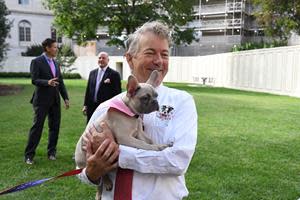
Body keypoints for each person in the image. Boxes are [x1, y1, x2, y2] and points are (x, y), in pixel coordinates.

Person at [77, 21, 198, 200]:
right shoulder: (107, 108)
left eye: (164, 54)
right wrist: (92, 173)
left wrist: (118, 154)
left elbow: (177, 161)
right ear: (129, 58)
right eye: (150, 53)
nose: (158, 61)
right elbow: (83, 168)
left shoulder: (181, 102)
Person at [24, 38, 70, 165]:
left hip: (55, 100)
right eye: (55, 47)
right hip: (41, 100)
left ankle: (51, 153)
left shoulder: (56, 63)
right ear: (47, 48)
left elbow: (60, 81)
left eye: (57, 47)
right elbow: (34, 80)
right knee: (37, 127)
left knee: (54, 127)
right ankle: (29, 155)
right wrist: (47, 82)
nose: (57, 49)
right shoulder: (36, 61)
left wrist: (65, 98)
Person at [82, 52, 122, 123]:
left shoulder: (114, 74)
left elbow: (117, 93)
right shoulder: (92, 73)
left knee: (103, 128)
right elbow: (88, 90)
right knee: (90, 127)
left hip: (105, 108)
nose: (101, 59)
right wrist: (85, 105)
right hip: (91, 107)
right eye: (99, 58)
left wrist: (115, 108)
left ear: (108, 60)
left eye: (103, 58)